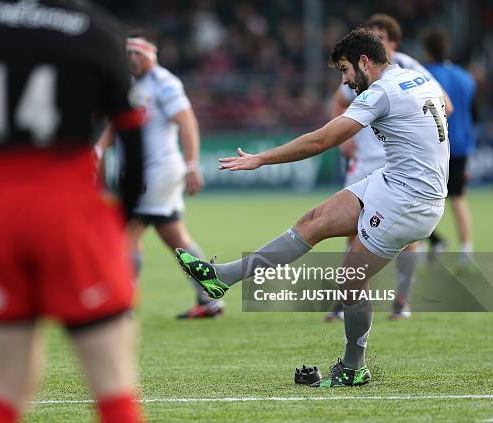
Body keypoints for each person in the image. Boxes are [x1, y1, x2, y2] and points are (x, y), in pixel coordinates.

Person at [176, 28, 448, 387]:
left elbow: (322, 140)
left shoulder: (382, 91)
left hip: (410, 200)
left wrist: (261, 159)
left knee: (350, 280)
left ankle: (354, 367)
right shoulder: (415, 77)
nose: (345, 80)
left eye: (346, 70)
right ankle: (221, 278)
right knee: (314, 220)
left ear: (365, 61)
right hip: (395, 181)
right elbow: (443, 109)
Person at [0, 1, 144, 422]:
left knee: (7, 392)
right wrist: (125, 222)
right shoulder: (96, 29)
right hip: (69, 210)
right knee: (114, 391)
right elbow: (133, 140)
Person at [326, 14, 453, 321]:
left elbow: (444, 105)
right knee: (352, 233)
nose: (376, 41)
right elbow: (339, 102)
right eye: (373, 36)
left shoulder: (409, 70)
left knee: (407, 239)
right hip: (366, 159)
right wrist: (345, 139)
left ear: (393, 43)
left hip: (397, 164)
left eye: (381, 37)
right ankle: (354, 303)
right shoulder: (359, 72)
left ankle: (402, 300)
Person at [97, 29, 223, 319]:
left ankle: (122, 302)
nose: (131, 58)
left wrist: (192, 165)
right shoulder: (128, 83)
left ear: (151, 54)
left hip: (159, 170)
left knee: (127, 232)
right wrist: (98, 149)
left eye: (137, 53)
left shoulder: (164, 83)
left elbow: (187, 123)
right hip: (144, 172)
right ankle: (210, 296)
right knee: (174, 235)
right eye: (128, 53)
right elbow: (114, 125)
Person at [422, 28, 477, 264]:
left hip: (434, 145)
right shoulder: (466, 77)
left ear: (426, 51)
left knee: (419, 199)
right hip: (462, 145)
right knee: (458, 198)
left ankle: (429, 243)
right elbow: (472, 113)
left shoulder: (424, 76)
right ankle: (466, 250)